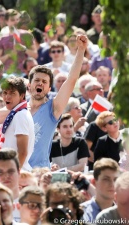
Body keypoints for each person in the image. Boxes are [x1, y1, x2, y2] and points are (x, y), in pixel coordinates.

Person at [27, 35, 88, 168]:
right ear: (29, 86)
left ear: (49, 88)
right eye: (37, 80)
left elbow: (71, 80)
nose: (40, 84)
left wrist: (81, 51)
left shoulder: (53, 108)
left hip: (40, 173)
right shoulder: (19, 108)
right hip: (17, 172)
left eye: (44, 82)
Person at [81, 158, 119, 222]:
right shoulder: (81, 212)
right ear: (94, 182)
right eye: (106, 179)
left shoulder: (124, 213)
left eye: (115, 179)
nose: (112, 184)